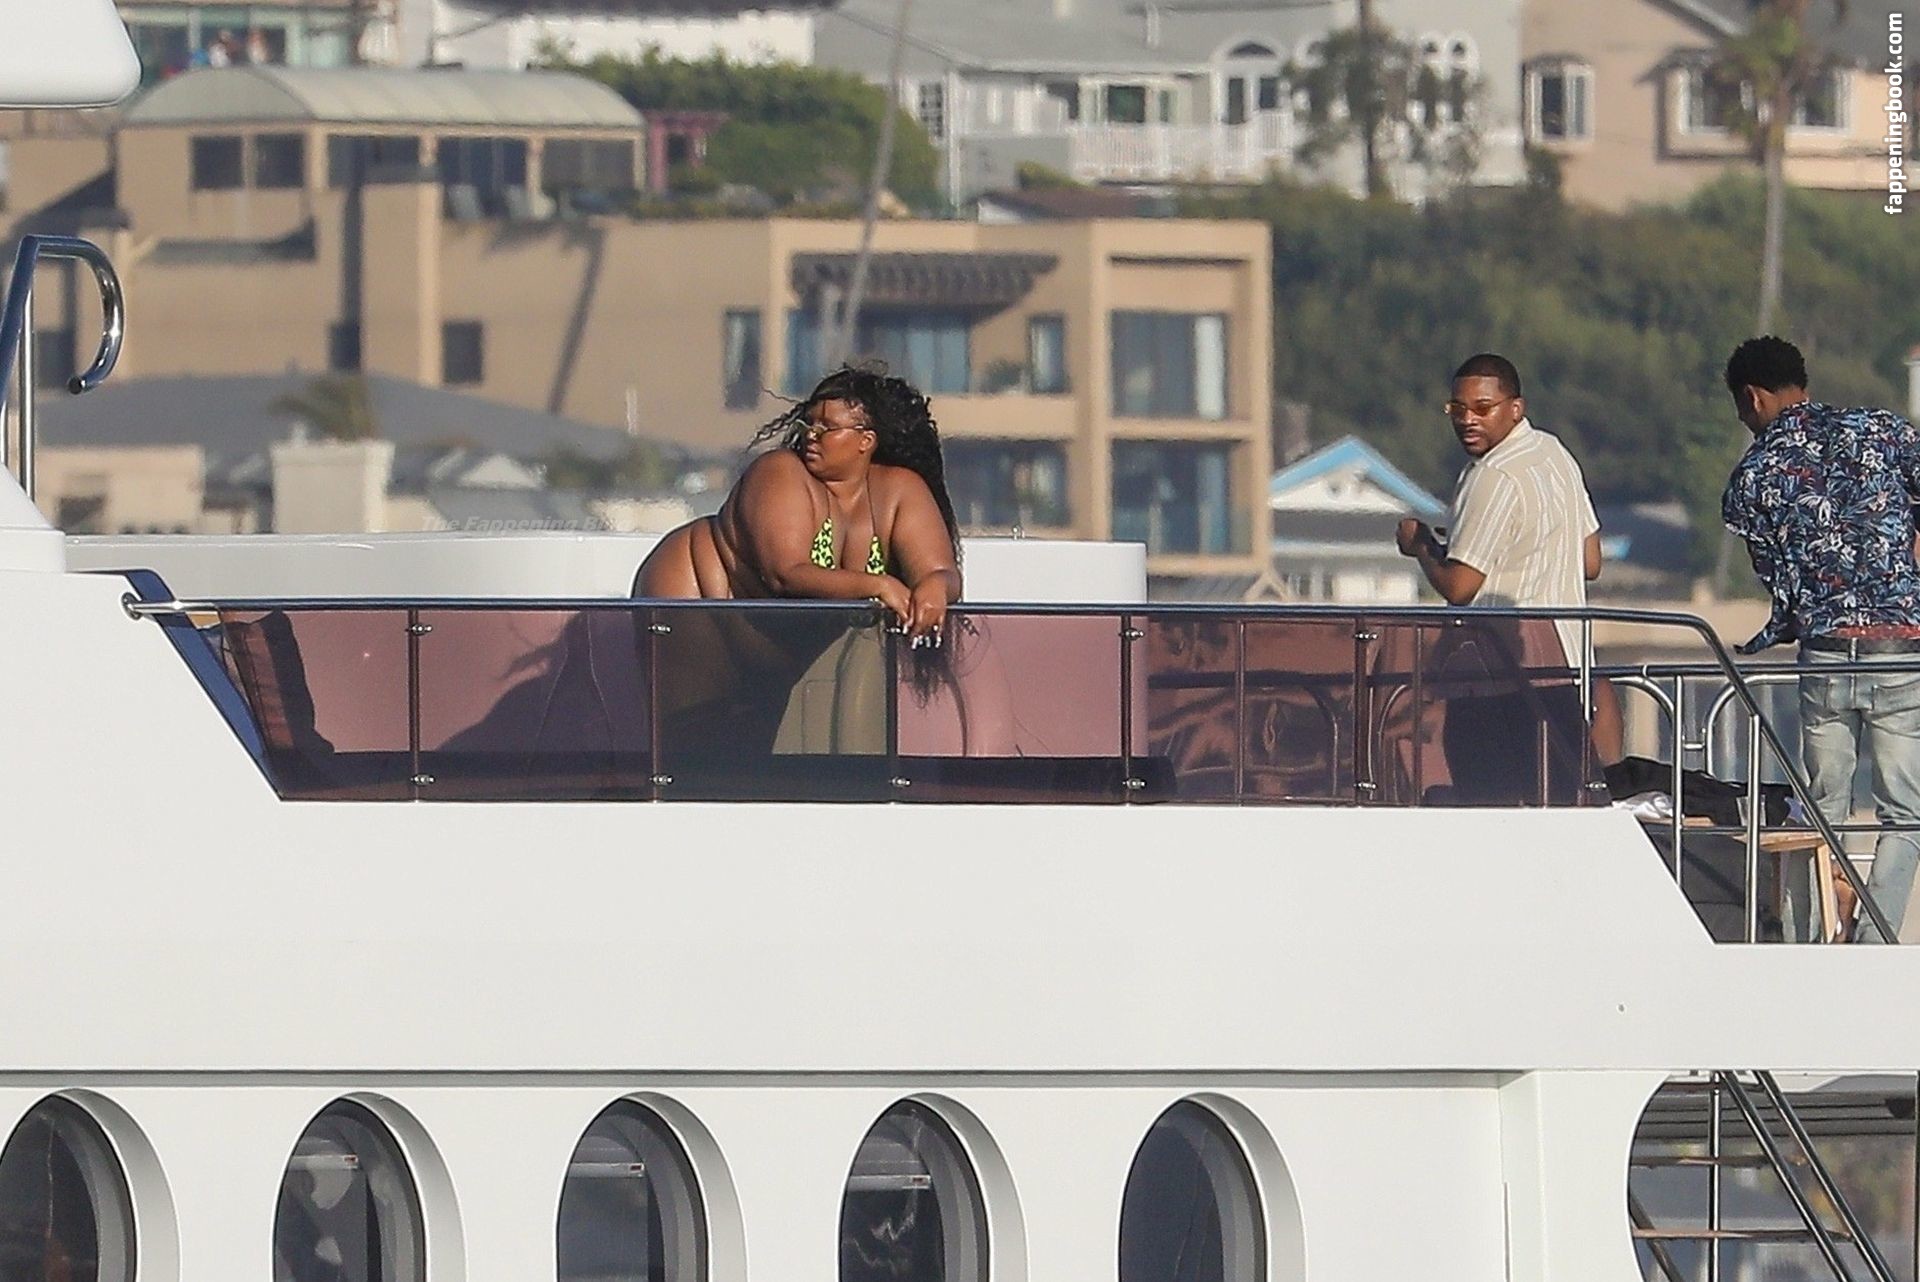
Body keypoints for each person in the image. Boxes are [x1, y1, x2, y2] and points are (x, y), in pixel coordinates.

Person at [1721, 335, 1920, 943]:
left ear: (1753, 398)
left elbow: (1779, 582)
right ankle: (1875, 939)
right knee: (1905, 814)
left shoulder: (1754, 475)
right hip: (1899, 646)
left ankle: (1810, 940)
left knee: (1820, 811)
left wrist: (1771, 634)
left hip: (1826, 655)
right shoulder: (1882, 430)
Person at [1395, 353, 1608, 803]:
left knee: (1490, 811)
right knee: (1560, 807)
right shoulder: (1554, 452)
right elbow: (1590, 561)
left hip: (1500, 678)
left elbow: (1460, 587)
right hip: (1570, 667)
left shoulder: (1493, 475)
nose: (1467, 420)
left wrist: (1422, 546)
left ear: (1515, 408)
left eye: (1482, 408)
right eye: (1457, 409)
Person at [633, 365, 961, 639]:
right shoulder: (780, 472)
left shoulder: (900, 491)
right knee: (697, 700)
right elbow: (786, 574)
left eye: (827, 427)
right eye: (809, 423)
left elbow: (942, 572)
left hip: (771, 645)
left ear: (866, 440)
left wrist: (935, 587)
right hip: (695, 597)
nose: (811, 434)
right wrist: (878, 585)